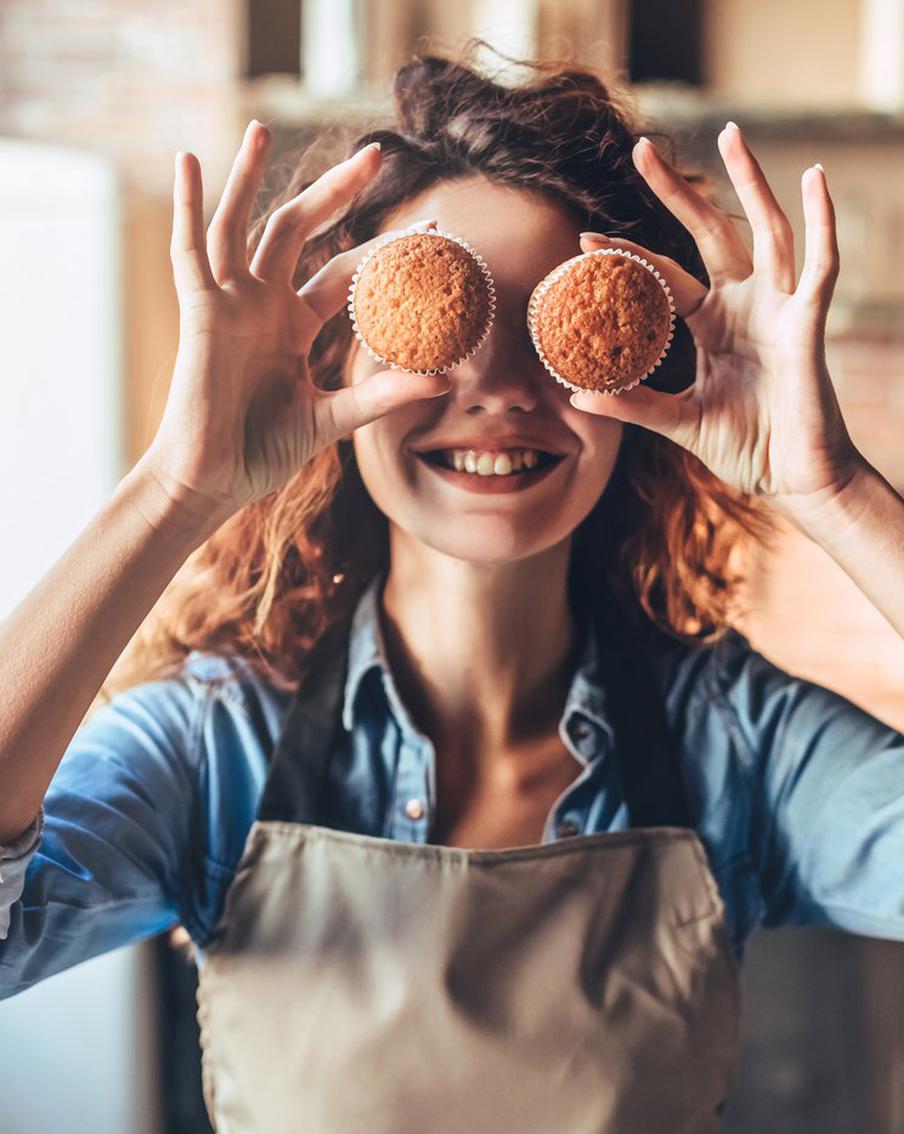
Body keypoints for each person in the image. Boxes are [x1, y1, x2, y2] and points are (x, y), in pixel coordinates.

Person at [2, 46, 903, 1133]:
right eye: (450, 322)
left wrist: (833, 488)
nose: (501, 389)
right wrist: (174, 491)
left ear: (640, 374)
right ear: (336, 367)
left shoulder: (738, 746)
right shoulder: (215, 748)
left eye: (553, 328)